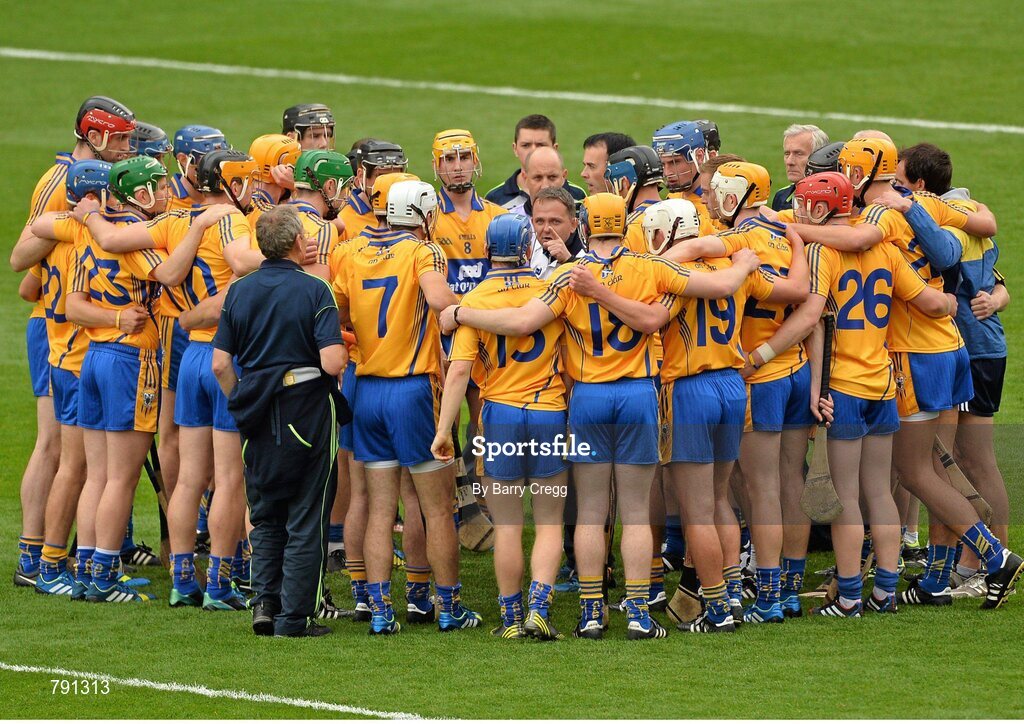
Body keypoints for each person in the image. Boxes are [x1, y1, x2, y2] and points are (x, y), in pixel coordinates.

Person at [440, 193, 763, 640]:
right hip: (638, 395)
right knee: (633, 513)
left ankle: (592, 612)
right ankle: (637, 613)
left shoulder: (567, 277)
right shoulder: (651, 267)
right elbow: (719, 286)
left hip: (587, 398)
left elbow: (522, 322)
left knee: (591, 511)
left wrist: (459, 312)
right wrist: (743, 265)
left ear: (584, 226)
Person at [787, 138, 1022, 610]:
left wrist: (791, 226)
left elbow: (856, 240)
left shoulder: (876, 217)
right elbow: (981, 224)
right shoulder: (921, 200)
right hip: (950, 345)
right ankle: (935, 578)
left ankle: (994, 555)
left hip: (913, 354)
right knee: (937, 467)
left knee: (915, 471)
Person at [758, 172, 952, 617]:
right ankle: (884, 591)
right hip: (883, 385)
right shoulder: (885, 249)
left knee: (845, 496)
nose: (800, 212)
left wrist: (799, 377)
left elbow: (815, 319)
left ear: (823, 210)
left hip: (842, 388)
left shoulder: (822, 251)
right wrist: (951, 305)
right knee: (878, 493)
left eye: (806, 205)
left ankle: (849, 596)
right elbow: (927, 301)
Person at [332, 177, 481, 635]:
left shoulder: (351, 250)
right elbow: (440, 302)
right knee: (435, 508)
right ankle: (447, 606)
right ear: (421, 214)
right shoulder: (423, 251)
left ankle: (380, 610)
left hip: (367, 390)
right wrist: (467, 312)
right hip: (412, 392)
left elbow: (337, 313)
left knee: (378, 509)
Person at [11, 95, 135, 588]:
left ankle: (59, 558)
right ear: (96, 137)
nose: (128, 148)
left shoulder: (97, 184)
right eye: (121, 139)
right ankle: (37, 556)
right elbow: (22, 261)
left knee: (76, 456)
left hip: (78, 324)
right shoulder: (59, 183)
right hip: (59, 329)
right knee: (57, 451)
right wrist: (80, 221)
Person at [211, 204, 348, 637]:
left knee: (266, 513)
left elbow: (220, 365)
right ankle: (295, 617)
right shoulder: (314, 288)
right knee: (307, 514)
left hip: (257, 412)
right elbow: (330, 361)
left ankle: (264, 607)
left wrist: (244, 400)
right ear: (293, 244)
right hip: (306, 409)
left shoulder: (239, 290)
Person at [432, 214, 569, 640]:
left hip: (500, 419)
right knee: (548, 523)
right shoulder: (552, 290)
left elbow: (457, 374)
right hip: (549, 413)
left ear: (488, 251)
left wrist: (443, 431)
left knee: (508, 525)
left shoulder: (475, 299)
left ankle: (510, 618)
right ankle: (539, 610)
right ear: (528, 249)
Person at [485, 114, 586, 214]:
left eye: (541, 145)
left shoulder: (577, 195)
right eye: (526, 145)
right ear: (515, 149)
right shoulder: (494, 198)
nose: (533, 151)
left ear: (555, 149)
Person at [770, 124, 830, 211]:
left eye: (798, 154)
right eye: (787, 154)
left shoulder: (836, 198)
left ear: (819, 157)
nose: (789, 162)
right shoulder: (781, 196)